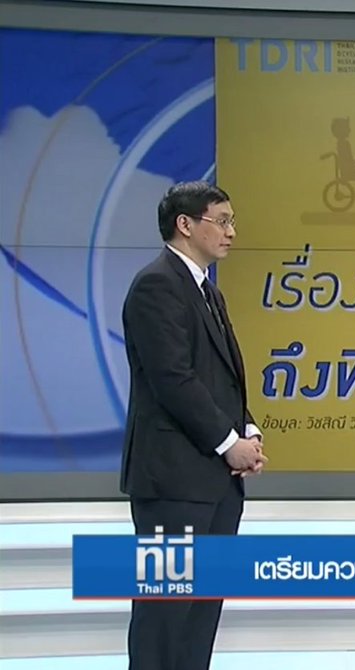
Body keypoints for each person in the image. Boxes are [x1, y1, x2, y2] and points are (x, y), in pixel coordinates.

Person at [119, 181, 268, 670]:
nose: (231, 232)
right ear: (185, 224)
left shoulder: (208, 291)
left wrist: (247, 431)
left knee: (200, 619)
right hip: (174, 482)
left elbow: (218, 377)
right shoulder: (156, 285)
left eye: (232, 222)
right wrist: (227, 442)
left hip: (216, 484)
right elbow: (172, 379)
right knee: (165, 617)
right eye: (221, 221)